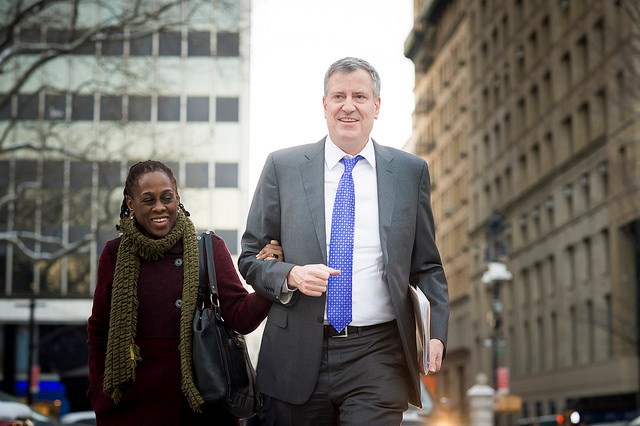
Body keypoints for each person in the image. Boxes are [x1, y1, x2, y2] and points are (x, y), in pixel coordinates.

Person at [238, 57, 450, 425]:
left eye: (360, 96)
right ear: (324, 105)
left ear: (377, 106)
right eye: (338, 96)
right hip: (296, 351)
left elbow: (427, 265)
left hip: (378, 354)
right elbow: (249, 259)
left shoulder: (409, 172)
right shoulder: (282, 167)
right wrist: (291, 276)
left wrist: (436, 332)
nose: (348, 106)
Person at [87, 160, 280, 426]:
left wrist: (271, 276)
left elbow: (241, 318)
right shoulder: (114, 254)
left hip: (200, 407)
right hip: (132, 407)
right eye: (148, 200)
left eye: (167, 197)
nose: (159, 207)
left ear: (177, 198)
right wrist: (101, 397)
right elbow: (99, 333)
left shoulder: (208, 249)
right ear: (130, 204)